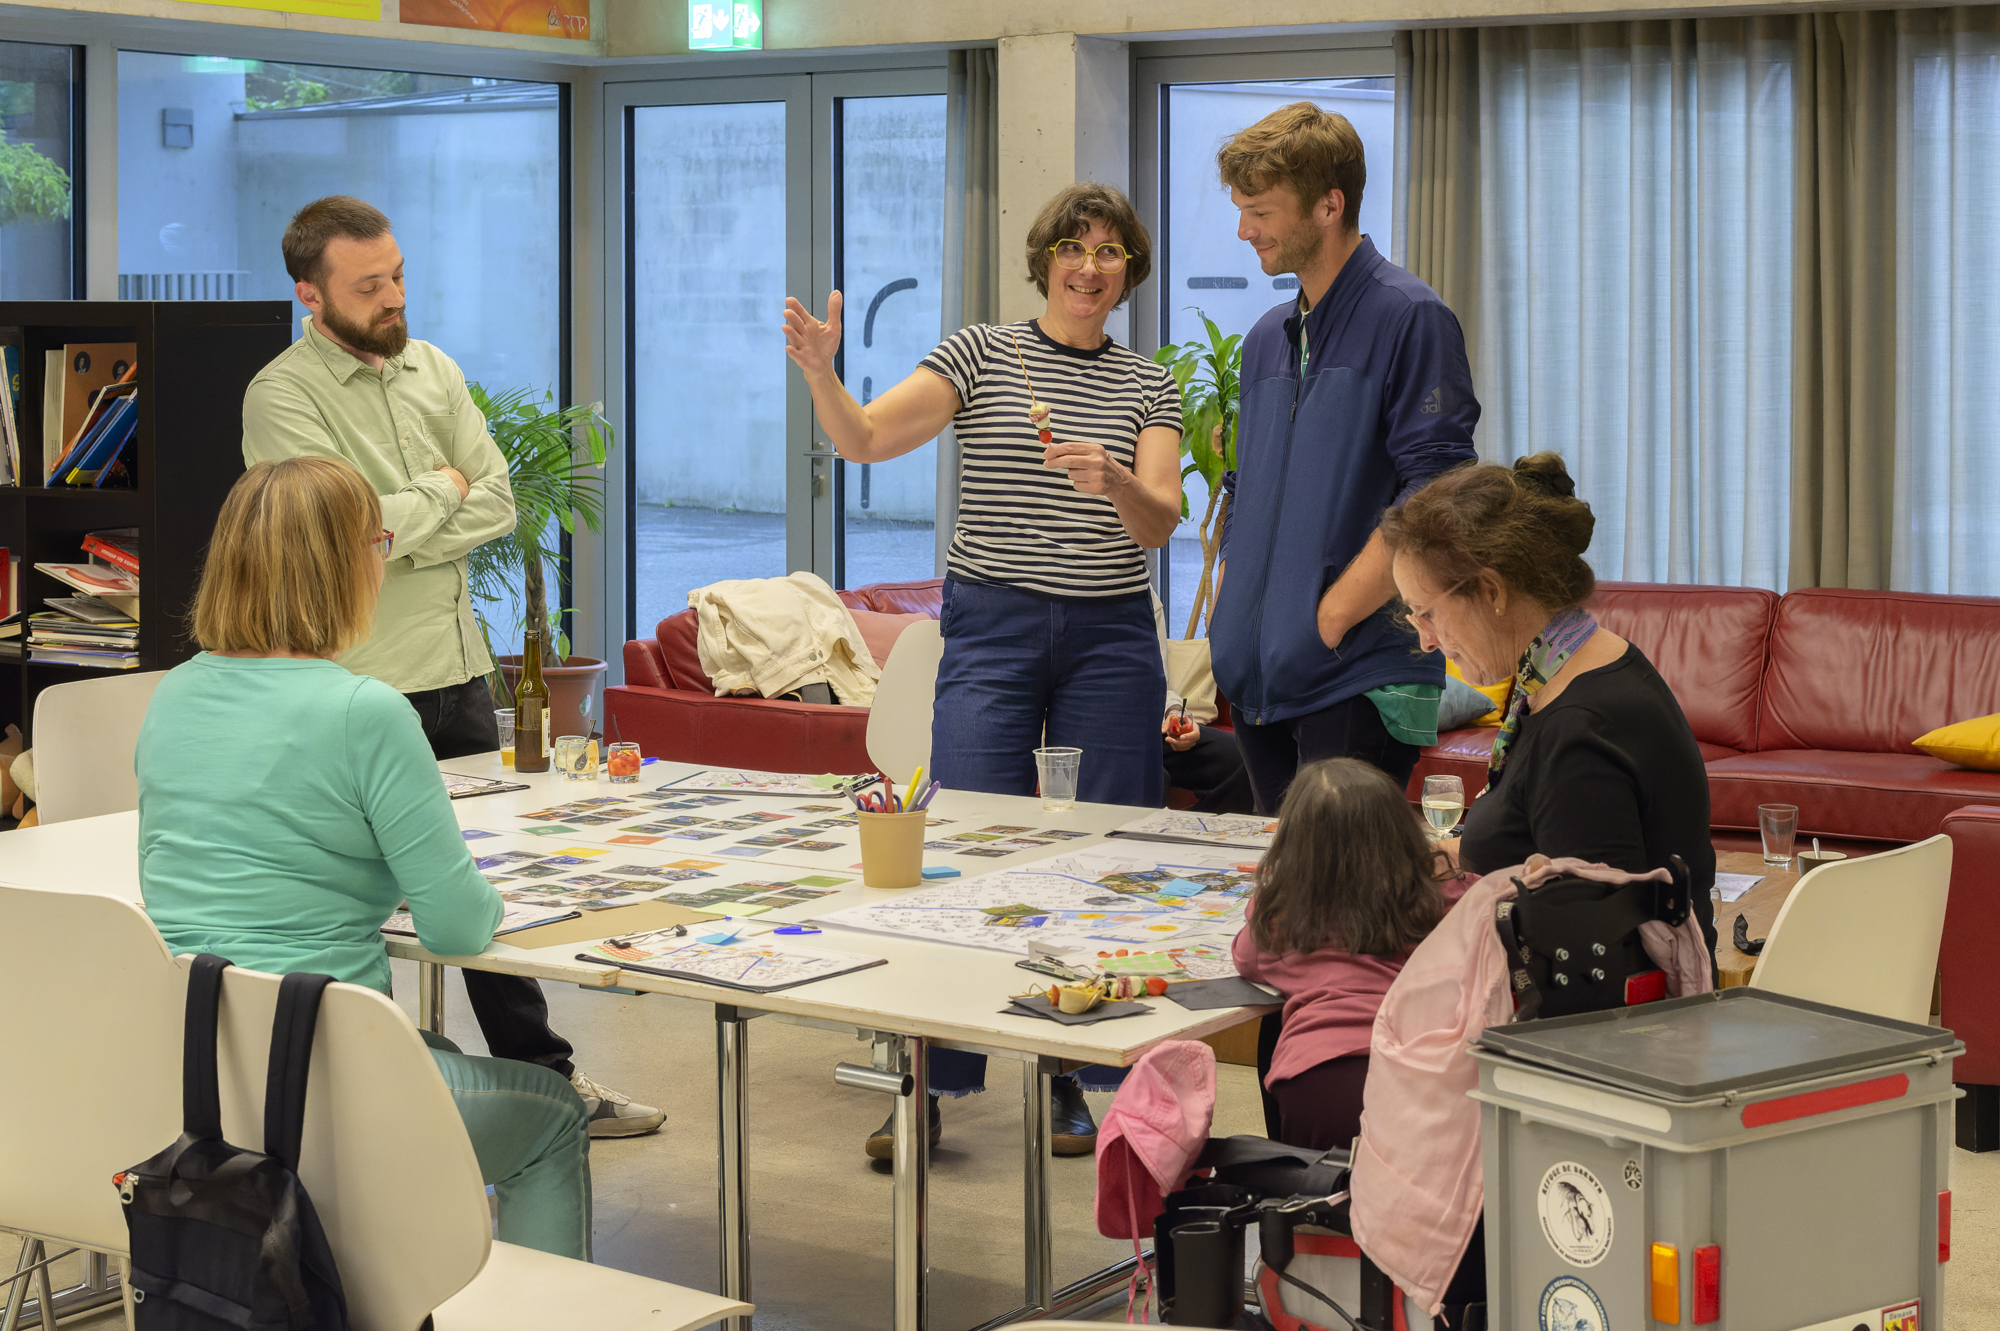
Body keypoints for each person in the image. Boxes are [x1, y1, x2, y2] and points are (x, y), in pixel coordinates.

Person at [241, 195, 662, 1138]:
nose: (393, 298)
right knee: (353, 900)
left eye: (397, 275)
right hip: (351, 690)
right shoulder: (280, 396)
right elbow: (338, 532)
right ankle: (375, 1100)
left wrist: (401, 519)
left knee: (481, 883)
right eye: (368, 285)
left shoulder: (434, 369)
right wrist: (437, 495)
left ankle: (551, 1084)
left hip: (456, 673)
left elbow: (500, 504)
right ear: (310, 293)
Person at [783, 182, 1183, 1159]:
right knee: (962, 843)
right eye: (1073, 247)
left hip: (1108, 634)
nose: (1089, 267)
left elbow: (1160, 518)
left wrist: (1119, 479)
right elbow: (867, 437)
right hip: (994, 628)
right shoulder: (978, 352)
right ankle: (930, 1078)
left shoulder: (1148, 383)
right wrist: (822, 376)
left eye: (1109, 252)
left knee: (1103, 852)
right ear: (1042, 255)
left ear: (1129, 269)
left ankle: (1080, 1079)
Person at [136, 457, 592, 1260]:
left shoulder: (172, 695)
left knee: (438, 1052)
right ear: (341, 568)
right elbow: (455, 927)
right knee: (553, 1114)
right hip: (324, 1084)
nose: (385, 560)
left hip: (193, 1074)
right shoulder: (364, 711)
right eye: (378, 542)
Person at [1207, 102, 1480, 814]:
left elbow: (1436, 494)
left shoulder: (1411, 317)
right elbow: (1243, 484)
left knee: (1341, 904)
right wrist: (1236, 595)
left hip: (1358, 674)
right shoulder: (1268, 337)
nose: (1245, 230)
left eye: (1260, 210)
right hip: (1263, 678)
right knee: (1287, 904)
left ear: (1330, 204)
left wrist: (1328, 617)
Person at [1380, 453, 1719, 957]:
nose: (1427, 641)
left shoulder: (1579, 731)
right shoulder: (1573, 669)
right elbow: (1531, 851)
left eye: (1426, 613)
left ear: (1491, 590)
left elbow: (1595, 954)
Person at [1231, 758, 1450, 1151]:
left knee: (1319, 1201)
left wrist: (1269, 893)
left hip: (1320, 1076)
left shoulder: (1282, 912)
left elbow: (1245, 958)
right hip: (1423, 1069)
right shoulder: (1441, 898)